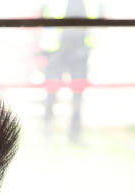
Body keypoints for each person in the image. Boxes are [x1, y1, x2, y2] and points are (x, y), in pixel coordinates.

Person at [40, 0, 98, 144]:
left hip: (81, 52)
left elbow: (98, 25)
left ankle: (75, 134)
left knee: (78, 95)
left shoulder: (93, 3)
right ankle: (47, 132)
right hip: (57, 52)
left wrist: (89, 49)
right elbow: (45, 20)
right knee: (51, 92)